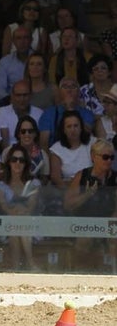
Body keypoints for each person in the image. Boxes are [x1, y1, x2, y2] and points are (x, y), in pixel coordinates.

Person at [63, 139, 117, 269]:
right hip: (84, 223)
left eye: (111, 157)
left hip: (108, 224)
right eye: (105, 157)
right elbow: (68, 204)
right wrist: (87, 194)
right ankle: (80, 275)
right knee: (84, 239)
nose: (109, 161)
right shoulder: (82, 176)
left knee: (114, 238)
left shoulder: (115, 178)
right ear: (94, 156)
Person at [0, 145, 39, 270]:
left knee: (19, 224)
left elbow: (31, 206)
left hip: (30, 224)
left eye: (21, 160)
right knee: (15, 226)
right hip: (8, 224)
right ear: (9, 162)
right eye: (14, 159)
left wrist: (20, 212)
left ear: (26, 163)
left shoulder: (33, 183)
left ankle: (17, 268)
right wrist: (13, 212)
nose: (18, 163)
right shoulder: (1, 185)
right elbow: (3, 206)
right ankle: (30, 264)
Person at [38, 79, 95, 149]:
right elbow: (43, 143)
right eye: (65, 87)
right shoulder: (48, 113)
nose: (69, 90)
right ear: (59, 92)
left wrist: (70, 109)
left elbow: (87, 134)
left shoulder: (87, 113)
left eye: (73, 87)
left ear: (79, 92)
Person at [48, 110, 91, 190]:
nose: (73, 129)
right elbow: (55, 177)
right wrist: (71, 193)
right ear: (64, 130)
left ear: (81, 127)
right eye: (69, 126)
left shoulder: (92, 143)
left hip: (91, 188)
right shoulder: (56, 149)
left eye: (76, 126)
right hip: (68, 191)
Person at [0, 24, 37, 104]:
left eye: (26, 38)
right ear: (13, 41)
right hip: (11, 102)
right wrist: (13, 101)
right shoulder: (4, 62)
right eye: (18, 38)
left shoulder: (39, 60)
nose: (22, 42)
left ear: (31, 40)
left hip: (35, 101)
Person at [0, 80, 43, 150]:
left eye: (25, 95)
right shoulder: (3, 111)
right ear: (12, 96)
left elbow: (39, 141)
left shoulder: (39, 113)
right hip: (11, 153)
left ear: (31, 95)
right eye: (18, 95)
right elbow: (4, 142)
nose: (22, 99)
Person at [14, 116, 51, 184]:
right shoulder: (8, 152)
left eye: (30, 131)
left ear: (35, 134)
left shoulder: (43, 155)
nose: (27, 134)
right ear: (18, 134)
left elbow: (45, 180)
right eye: (23, 131)